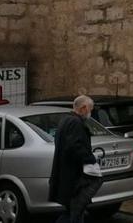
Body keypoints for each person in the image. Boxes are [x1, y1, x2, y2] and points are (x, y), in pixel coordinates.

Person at [49, 95, 103, 223]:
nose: (90, 113)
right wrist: (90, 159)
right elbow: (74, 147)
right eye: (90, 109)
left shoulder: (66, 120)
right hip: (74, 178)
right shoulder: (76, 123)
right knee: (75, 213)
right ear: (83, 108)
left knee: (72, 213)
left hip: (67, 177)